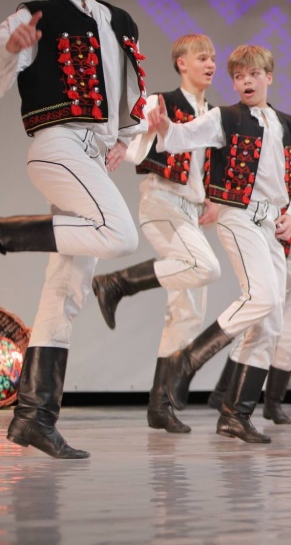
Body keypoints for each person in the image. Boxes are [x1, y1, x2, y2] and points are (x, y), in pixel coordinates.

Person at [0, 0, 148, 459]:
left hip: (93, 157)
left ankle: (34, 418)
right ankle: (3, 234)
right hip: (57, 145)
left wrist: (126, 141)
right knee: (120, 235)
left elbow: (127, 99)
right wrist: (11, 49)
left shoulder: (120, 21)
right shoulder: (34, 13)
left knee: (65, 291)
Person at [146, 43, 291, 444]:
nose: (245, 82)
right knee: (260, 298)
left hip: (272, 224)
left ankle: (235, 414)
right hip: (238, 215)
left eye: (253, 75)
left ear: (268, 77)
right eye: (238, 77)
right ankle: (188, 359)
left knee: (270, 322)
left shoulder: (289, 125)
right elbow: (184, 136)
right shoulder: (225, 117)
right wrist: (165, 128)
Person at [89, 33, 222, 435]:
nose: (210, 64)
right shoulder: (161, 102)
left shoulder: (211, 112)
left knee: (188, 309)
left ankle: (159, 405)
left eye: (212, 58)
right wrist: (146, 131)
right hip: (163, 202)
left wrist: (213, 198)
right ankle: (117, 283)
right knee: (205, 267)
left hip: (190, 210)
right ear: (182, 63)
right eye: (202, 57)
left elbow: (208, 164)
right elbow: (130, 143)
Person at [207, 208, 291, 426]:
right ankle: (222, 392)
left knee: (290, 336)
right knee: (257, 332)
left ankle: (273, 403)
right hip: (274, 261)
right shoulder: (277, 194)